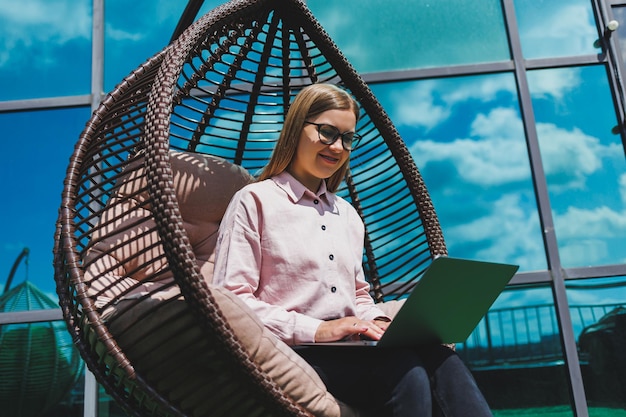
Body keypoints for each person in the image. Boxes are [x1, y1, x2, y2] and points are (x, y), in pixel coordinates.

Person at [213, 83, 493, 417]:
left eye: (347, 138)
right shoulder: (255, 201)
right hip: (292, 353)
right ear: (296, 128)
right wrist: (319, 329)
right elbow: (230, 302)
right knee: (405, 371)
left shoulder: (346, 214)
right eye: (328, 132)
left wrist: (373, 320)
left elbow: (358, 296)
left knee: (441, 359)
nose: (337, 146)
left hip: (354, 351)